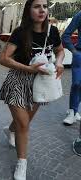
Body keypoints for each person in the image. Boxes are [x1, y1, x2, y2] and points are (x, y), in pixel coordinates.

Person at [0, 0, 64, 179]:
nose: (42, 10)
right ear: (29, 10)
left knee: (23, 122)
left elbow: (60, 50)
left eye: (44, 6)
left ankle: (10, 129)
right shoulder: (20, 32)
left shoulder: (53, 31)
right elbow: (3, 59)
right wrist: (29, 69)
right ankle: (22, 163)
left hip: (40, 84)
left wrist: (59, 63)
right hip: (19, 80)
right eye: (37, 6)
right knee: (24, 124)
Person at [61, 11, 81, 156]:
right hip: (80, 55)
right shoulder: (80, 15)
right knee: (76, 83)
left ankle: (75, 111)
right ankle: (72, 111)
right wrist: (74, 51)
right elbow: (66, 35)